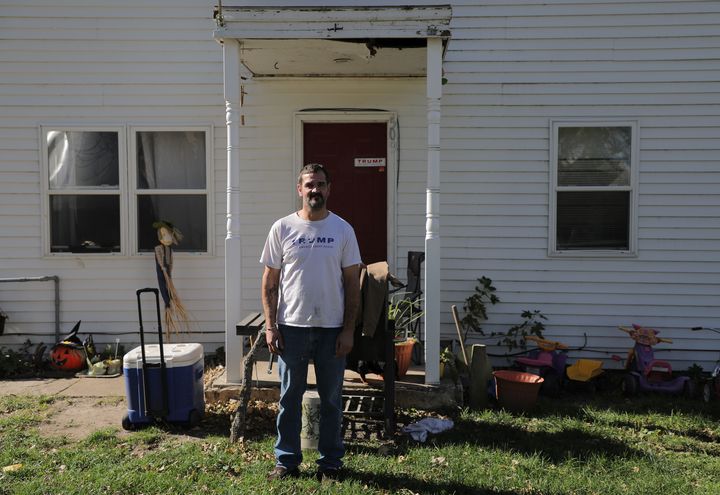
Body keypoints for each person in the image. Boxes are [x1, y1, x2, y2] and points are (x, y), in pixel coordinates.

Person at [260, 163, 361, 482]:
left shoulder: (343, 230)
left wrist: (348, 330)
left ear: (329, 189)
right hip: (292, 328)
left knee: (331, 399)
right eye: (309, 184)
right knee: (289, 397)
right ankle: (287, 460)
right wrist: (270, 325)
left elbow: (352, 283)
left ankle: (330, 463)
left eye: (320, 184)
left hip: (332, 330)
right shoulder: (283, 228)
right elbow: (269, 280)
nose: (314, 190)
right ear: (299, 189)